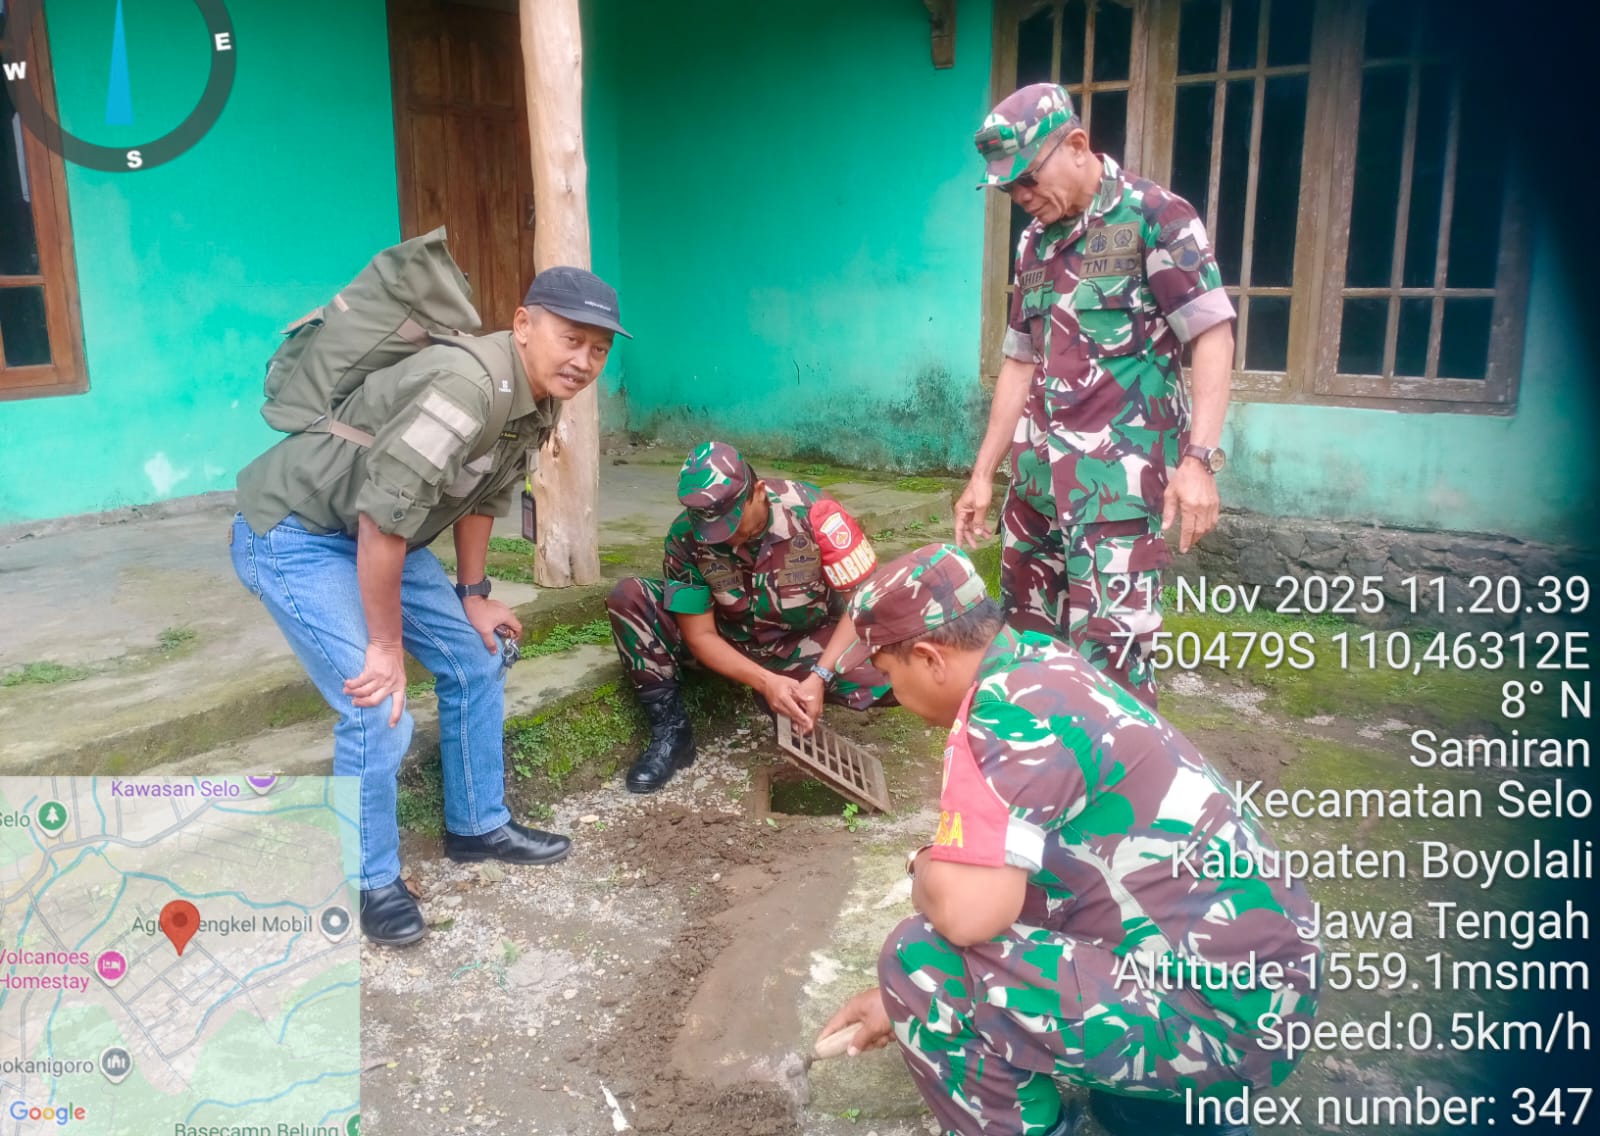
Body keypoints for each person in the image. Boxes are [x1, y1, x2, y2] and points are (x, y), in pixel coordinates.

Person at [820, 544, 1320, 1136]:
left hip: (1225, 1025)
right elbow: (1035, 879)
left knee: (919, 958)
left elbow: (969, 915)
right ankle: (1158, 1100)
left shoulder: (1002, 718)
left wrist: (922, 865)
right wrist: (894, 1005)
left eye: (887, 676)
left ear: (929, 658)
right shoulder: (1041, 665)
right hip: (1263, 992)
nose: (892, 698)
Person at [231, 266, 630, 946]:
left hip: (380, 531)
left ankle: (478, 825)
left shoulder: (539, 397)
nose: (583, 360)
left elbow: (482, 495)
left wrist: (473, 597)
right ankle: (374, 881)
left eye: (598, 348)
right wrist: (385, 648)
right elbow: (380, 524)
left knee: (478, 657)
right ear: (525, 324)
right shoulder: (465, 385)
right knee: (376, 702)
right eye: (571, 339)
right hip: (297, 533)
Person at [954, 83, 1236, 708]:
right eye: (1009, 191)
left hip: (1116, 493)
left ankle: (1116, 794)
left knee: (1113, 666)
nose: (1022, 199)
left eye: (1027, 180)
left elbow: (1211, 333)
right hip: (1035, 492)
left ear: (1077, 145)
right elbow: (1019, 362)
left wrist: (1200, 459)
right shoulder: (1033, 244)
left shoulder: (1156, 216)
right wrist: (983, 474)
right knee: (1028, 651)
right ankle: (1046, 777)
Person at [606, 441, 890, 791]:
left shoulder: (815, 512)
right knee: (630, 596)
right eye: (709, 527)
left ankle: (798, 690)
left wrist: (819, 675)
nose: (724, 538)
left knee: (896, 666)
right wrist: (764, 681)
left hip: (804, 645)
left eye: (730, 522)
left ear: (757, 493)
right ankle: (673, 736)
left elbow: (864, 604)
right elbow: (700, 636)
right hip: (731, 644)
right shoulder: (686, 538)